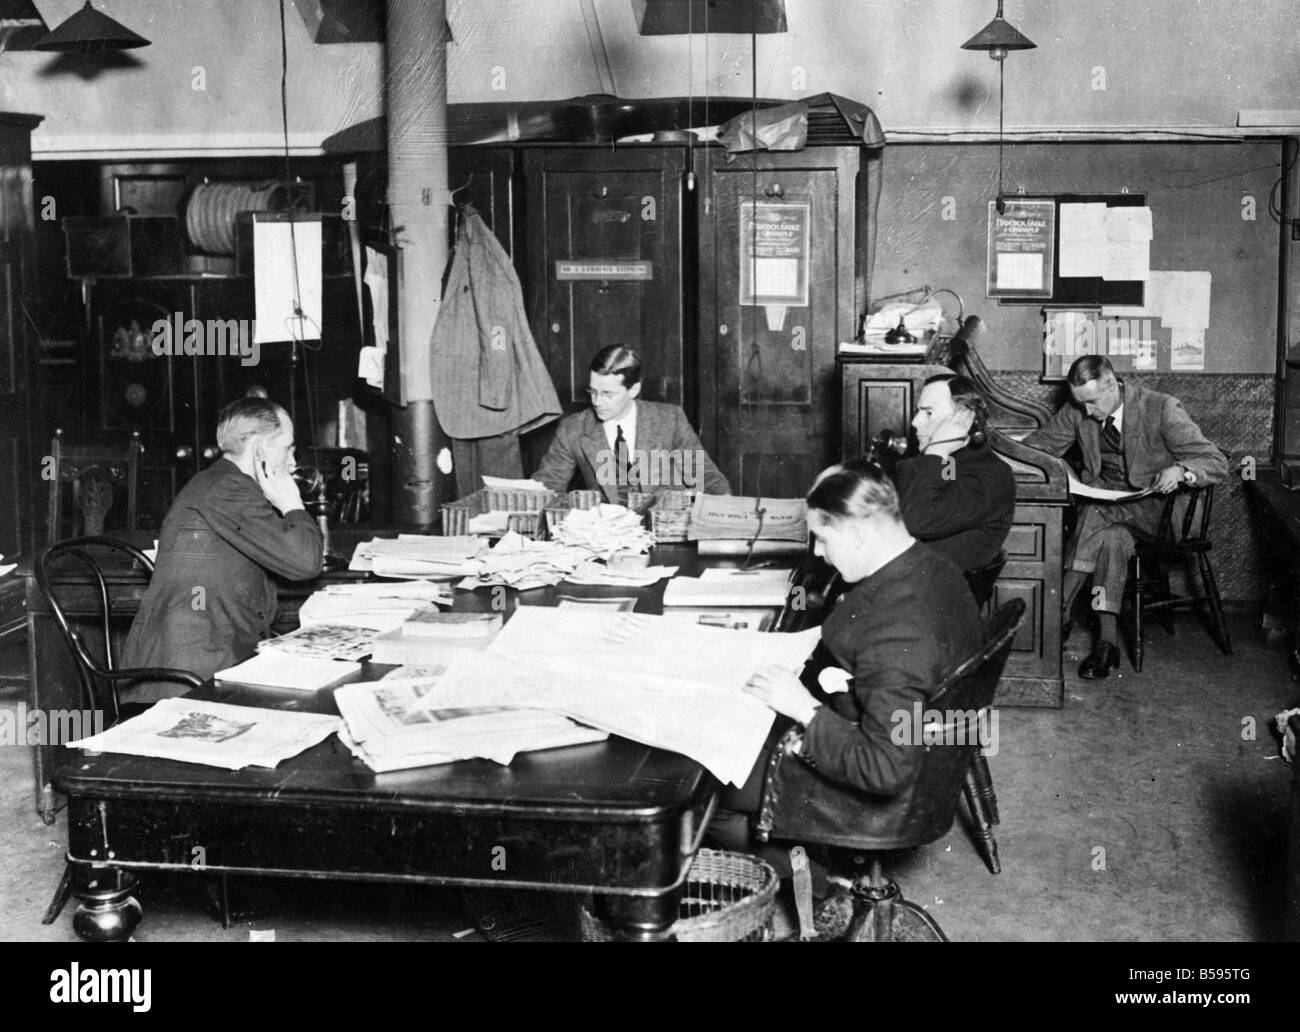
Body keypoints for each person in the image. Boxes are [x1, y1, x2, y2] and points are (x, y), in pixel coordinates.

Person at [708, 460, 983, 887]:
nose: (818, 552)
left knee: (708, 786)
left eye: (822, 538)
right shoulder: (929, 566)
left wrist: (804, 708)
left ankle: (824, 895)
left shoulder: (899, 634)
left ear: (858, 531)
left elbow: (885, 767)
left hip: (889, 790)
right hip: (920, 746)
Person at [1022, 355, 1227, 679]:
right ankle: (1106, 644)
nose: (1086, 412)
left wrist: (1181, 469)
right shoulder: (1079, 407)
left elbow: (1215, 461)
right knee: (1110, 539)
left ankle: (1057, 611)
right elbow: (1039, 448)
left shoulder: (1160, 407)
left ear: (1111, 385)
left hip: (1161, 511)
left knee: (1096, 511)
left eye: (1091, 402)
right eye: (1081, 404)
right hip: (1113, 515)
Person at [120, 396, 324, 702]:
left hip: (206, 661)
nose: (294, 462)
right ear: (259, 449)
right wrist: (292, 503)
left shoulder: (222, 482)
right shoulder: (230, 489)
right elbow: (306, 561)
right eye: (288, 448)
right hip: (188, 679)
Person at [531, 345, 731, 502]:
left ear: (634, 390)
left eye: (608, 394)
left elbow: (705, 476)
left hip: (664, 531)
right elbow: (547, 488)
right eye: (593, 391)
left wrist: (720, 510)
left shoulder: (670, 420)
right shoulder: (572, 428)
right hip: (605, 536)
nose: (597, 401)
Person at [894, 373, 1016, 573]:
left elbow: (917, 520)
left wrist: (937, 449)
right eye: (918, 412)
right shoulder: (953, 463)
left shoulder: (990, 476)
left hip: (931, 594)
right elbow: (940, 489)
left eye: (928, 413)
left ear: (964, 419)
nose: (915, 422)